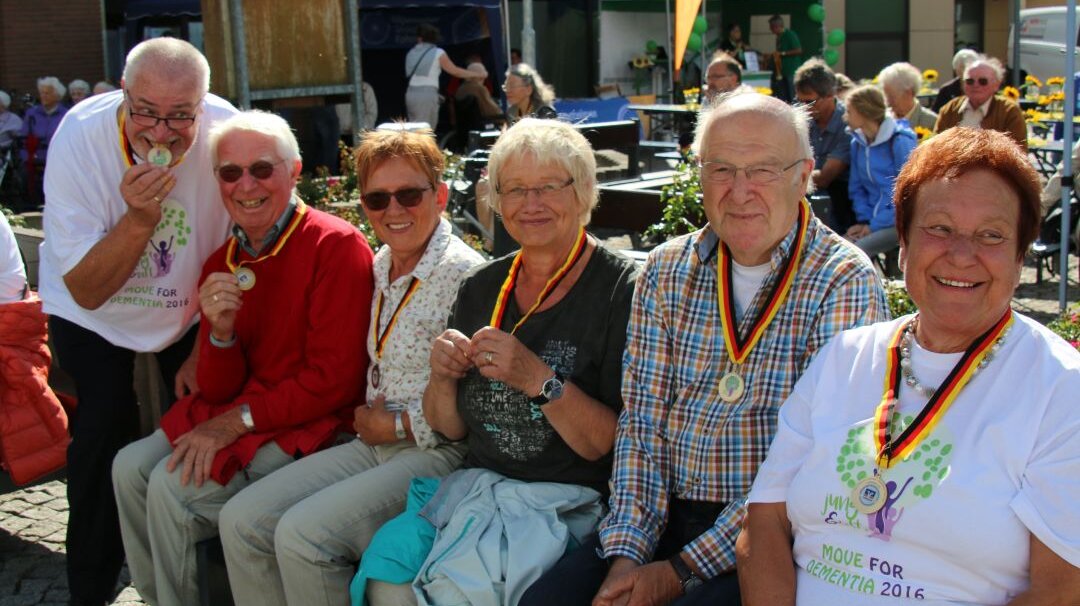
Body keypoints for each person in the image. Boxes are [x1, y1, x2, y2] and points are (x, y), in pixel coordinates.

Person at [522, 92, 888, 606]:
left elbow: (810, 465)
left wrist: (678, 572)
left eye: (762, 170)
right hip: (658, 513)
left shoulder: (842, 279)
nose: (740, 191)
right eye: (721, 169)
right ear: (699, 174)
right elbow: (642, 423)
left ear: (804, 175)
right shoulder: (667, 269)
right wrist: (627, 555)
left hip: (770, 532)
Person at [738, 127, 1080, 605]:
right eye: (939, 228)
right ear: (903, 243)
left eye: (991, 235)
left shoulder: (1061, 389)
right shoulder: (843, 357)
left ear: (1020, 255)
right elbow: (764, 522)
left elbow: (1060, 591)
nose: (961, 254)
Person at [366, 117, 638, 604]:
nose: (530, 204)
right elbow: (449, 428)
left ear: (582, 192)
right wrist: (442, 378)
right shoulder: (482, 285)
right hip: (475, 491)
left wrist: (539, 379)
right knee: (384, 578)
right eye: (514, 189)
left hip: (567, 504)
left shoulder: (623, 289)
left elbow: (608, 444)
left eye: (548, 187)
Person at [111, 110, 375, 606]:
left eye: (262, 169)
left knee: (172, 489)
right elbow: (217, 389)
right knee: (128, 468)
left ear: (294, 171)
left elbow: (335, 382)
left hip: (314, 423)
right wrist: (221, 334)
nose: (246, 185)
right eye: (230, 172)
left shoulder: (334, 245)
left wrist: (234, 423)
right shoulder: (223, 261)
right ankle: (156, 596)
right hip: (250, 411)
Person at [217, 127, 484, 606]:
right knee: (241, 521)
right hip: (373, 441)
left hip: (437, 454)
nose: (394, 210)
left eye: (409, 195)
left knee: (303, 536)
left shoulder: (465, 274)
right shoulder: (381, 262)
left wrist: (397, 425)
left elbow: (477, 405)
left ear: (440, 196)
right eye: (378, 199)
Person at [37, 38, 238, 605]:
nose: (161, 133)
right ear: (124, 94)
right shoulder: (81, 134)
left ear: (203, 104)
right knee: (102, 429)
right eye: (146, 111)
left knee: (198, 427)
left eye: (181, 116)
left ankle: (192, 581)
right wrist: (139, 220)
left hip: (187, 307)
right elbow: (86, 289)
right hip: (91, 309)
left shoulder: (226, 129)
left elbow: (247, 238)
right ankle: (90, 588)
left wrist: (206, 340)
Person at [844, 85, 917, 258]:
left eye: (849, 111)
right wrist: (864, 221)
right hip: (871, 222)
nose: (844, 117)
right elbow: (856, 188)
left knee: (853, 253)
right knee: (839, 247)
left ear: (863, 112)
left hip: (899, 222)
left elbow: (908, 194)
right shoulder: (857, 144)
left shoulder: (900, 141)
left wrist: (874, 226)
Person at [795, 58, 854, 233]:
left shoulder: (848, 122)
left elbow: (825, 178)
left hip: (841, 200)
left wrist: (789, 177)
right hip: (805, 191)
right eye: (799, 101)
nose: (803, 108)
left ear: (830, 95)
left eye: (809, 102)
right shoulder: (801, 119)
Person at [935, 56, 1027, 151]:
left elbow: (1019, 152)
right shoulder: (949, 109)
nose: (975, 85)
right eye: (970, 81)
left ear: (996, 85)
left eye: (983, 81)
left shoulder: (1009, 111)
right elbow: (935, 147)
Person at [405, 24, 475, 130]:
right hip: (426, 95)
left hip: (410, 94)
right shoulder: (438, 53)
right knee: (426, 131)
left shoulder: (410, 53)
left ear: (419, 39)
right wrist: (476, 74)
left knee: (414, 130)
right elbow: (455, 71)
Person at [19, 76, 69, 207]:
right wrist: (26, 157)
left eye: (47, 93)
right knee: (24, 176)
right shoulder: (31, 114)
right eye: (42, 93)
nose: (43, 96)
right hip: (34, 157)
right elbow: (23, 138)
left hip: (58, 158)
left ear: (57, 96)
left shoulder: (66, 114)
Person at [879, 62, 938, 131]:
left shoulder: (932, 122)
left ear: (908, 93)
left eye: (891, 97)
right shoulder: (882, 120)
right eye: (885, 96)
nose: (887, 102)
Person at [931, 48, 979, 113]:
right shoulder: (946, 90)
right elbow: (936, 113)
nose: (967, 70)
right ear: (956, 69)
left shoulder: (984, 87)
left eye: (970, 67)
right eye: (963, 67)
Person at [769, 15, 802, 103]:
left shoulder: (790, 34)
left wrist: (782, 53)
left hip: (791, 71)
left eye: (771, 28)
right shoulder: (779, 37)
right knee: (784, 96)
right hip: (782, 72)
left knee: (793, 96)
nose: (770, 30)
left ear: (776, 27)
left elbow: (799, 50)